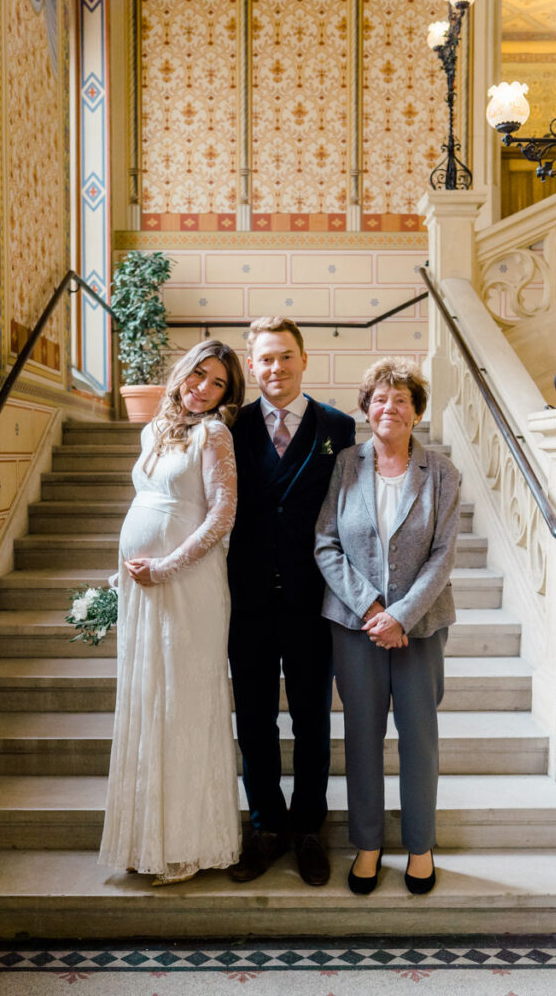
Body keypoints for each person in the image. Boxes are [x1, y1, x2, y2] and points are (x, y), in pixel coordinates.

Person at [98, 339, 245, 885]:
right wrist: (126, 573)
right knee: (147, 699)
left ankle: (188, 845)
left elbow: (222, 515)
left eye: (218, 384)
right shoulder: (153, 430)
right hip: (145, 587)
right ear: (183, 372)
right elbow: (148, 504)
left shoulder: (216, 433)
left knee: (182, 702)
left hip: (188, 585)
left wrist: (166, 565)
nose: (202, 389)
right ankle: (148, 839)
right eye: (198, 375)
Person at [314, 356, 460, 896]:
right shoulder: (345, 464)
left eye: (400, 399)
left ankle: (420, 847)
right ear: (366, 408)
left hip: (421, 629)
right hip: (355, 628)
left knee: (420, 738)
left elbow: (443, 555)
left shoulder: (441, 472)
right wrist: (373, 610)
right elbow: (325, 543)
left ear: (416, 411)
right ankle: (368, 844)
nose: (389, 407)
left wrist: (402, 615)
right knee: (361, 738)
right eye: (379, 398)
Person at [227, 316, 356, 886]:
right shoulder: (230, 426)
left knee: (310, 720)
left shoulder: (339, 426)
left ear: (303, 359)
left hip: (312, 600)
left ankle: (307, 828)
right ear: (251, 366)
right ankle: (265, 827)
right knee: (254, 719)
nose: (274, 368)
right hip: (247, 599)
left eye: (284, 356)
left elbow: (355, 515)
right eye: (264, 359)